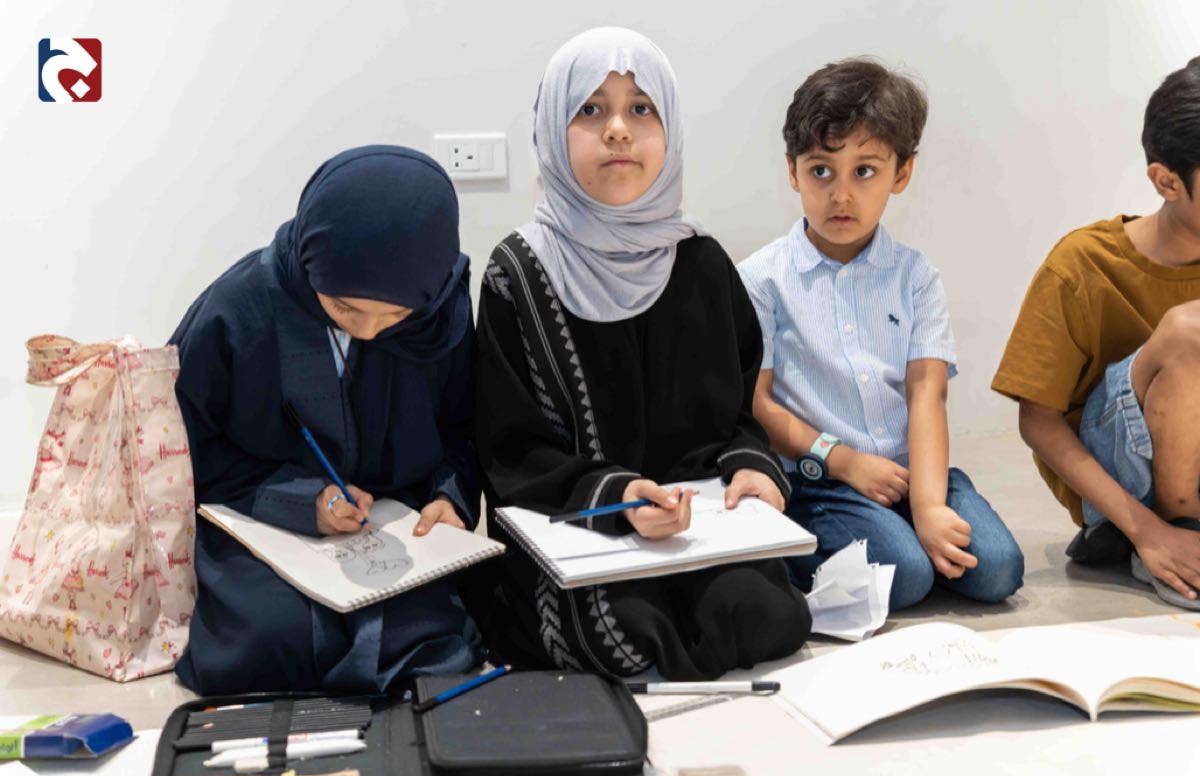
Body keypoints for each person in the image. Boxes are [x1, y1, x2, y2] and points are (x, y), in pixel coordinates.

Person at [471, 27, 811, 680]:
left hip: (698, 524)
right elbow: (511, 448)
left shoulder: (701, 262)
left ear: (670, 128)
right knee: (618, 630)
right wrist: (620, 497)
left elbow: (738, 411)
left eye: (641, 108)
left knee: (762, 613)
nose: (619, 130)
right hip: (577, 524)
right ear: (551, 130)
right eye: (591, 109)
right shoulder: (518, 273)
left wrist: (751, 467)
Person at [171, 145, 482, 694]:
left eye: (395, 314)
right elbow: (184, 455)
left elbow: (463, 428)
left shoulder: (440, 314)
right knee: (269, 640)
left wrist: (449, 496)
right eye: (344, 307)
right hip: (261, 519)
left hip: (394, 525)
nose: (368, 331)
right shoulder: (238, 309)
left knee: (427, 640)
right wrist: (302, 502)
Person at [741, 58, 1023, 610]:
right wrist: (845, 462)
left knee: (998, 570)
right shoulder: (761, 279)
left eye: (864, 171)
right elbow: (759, 404)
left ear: (902, 173)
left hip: (909, 469)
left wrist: (930, 505)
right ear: (793, 172)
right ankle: (796, 544)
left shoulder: (915, 276)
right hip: (821, 479)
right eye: (821, 171)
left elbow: (927, 393)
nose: (841, 195)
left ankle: (906, 529)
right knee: (908, 575)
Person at [993, 56, 1200, 609]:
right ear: (1167, 181)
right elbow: (1037, 421)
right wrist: (1146, 530)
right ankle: (1173, 531)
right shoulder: (1083, 264)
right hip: (1122, 481)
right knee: (1189, 331)